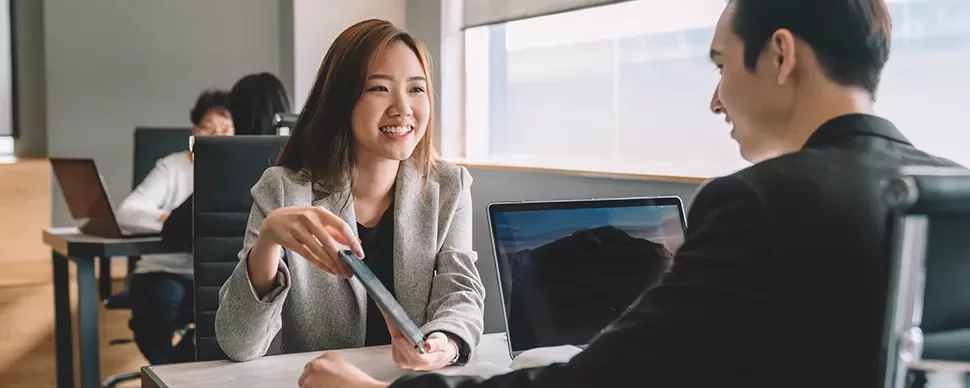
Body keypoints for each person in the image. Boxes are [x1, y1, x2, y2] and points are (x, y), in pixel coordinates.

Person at [296, 1, 965, 387]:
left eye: (721, 65)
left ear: (781, 56)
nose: (714, 98)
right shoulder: (952, 193)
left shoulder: (764, 201)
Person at [214, 19, 486, 372]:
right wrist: (267, 243)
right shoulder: (283, 189)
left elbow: (461, 292)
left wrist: (445, 343)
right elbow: (238, 344)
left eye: (417, 89)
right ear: (341, 101)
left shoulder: (450, 187)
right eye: (379, 89)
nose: (403, 107)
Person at [116, 89, 233, 365]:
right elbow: (127, 213)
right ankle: (169, 371)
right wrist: (174, 220)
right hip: (166, 270)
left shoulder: (238, 169)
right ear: (194, 131)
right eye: (209, 129)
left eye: (226, 130)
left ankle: (184, 369)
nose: (216, 137)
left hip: (218, 273)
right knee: (156, 302)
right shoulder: (172, 167)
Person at [160, 72, 293, 243]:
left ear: (238, 116)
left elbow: (173, 229)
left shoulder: (228, 166)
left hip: (232, 269)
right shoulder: (299, 166)